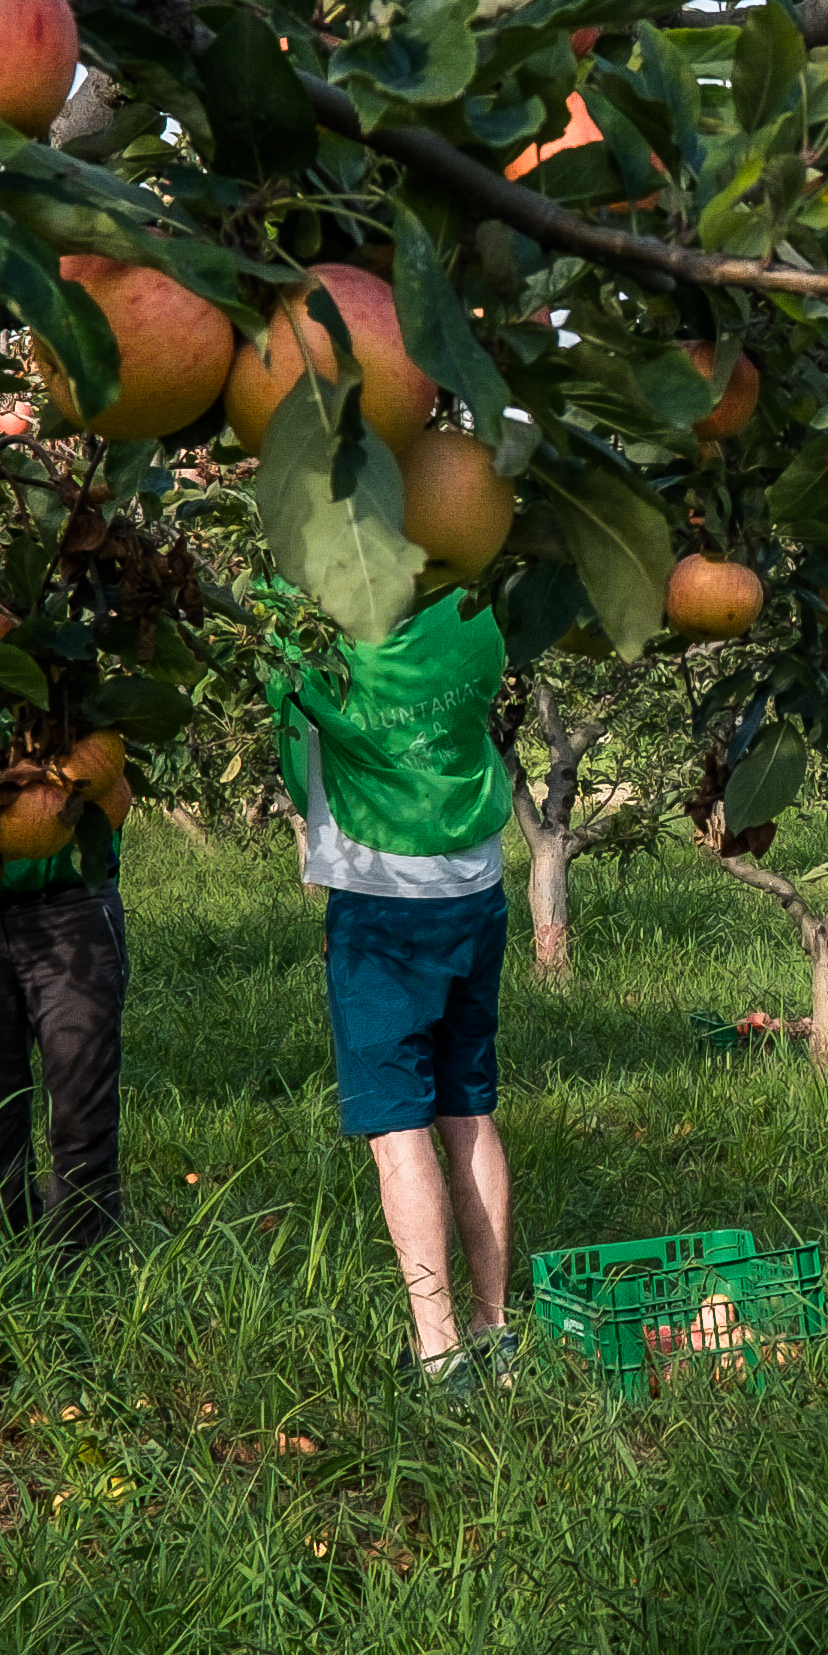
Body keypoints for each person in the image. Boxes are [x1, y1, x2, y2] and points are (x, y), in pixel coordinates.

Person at [276, 585, 517, 1376]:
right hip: (476, 891)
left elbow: (260, 629)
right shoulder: (478, 603)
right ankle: (493, 1326)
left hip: (382, 905)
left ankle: (440, 1351)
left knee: (398, 1127)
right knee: (468, 1105)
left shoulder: (321, 633)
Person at [0, 728, 130, 1247]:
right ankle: (9, 1254)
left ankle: (82, 1260)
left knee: (80, 1102)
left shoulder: (64, 699)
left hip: (69, 907)